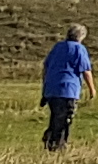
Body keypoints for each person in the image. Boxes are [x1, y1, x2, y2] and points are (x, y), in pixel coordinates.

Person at [40, 22, 94, 150]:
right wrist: (92, 89)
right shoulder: (78, 49)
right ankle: (58, 145)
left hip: (51, 89)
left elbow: (46, 67)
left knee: (56, 116)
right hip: (68, 89)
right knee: (65, 120)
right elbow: (86, 70)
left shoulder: (57, 47)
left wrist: (45, 86)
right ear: (80, 37)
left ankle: (51, 138)